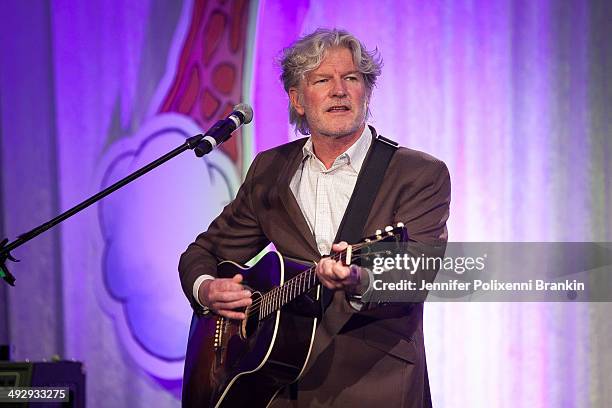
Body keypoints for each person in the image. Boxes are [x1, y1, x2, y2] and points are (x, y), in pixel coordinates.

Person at [179, 28, 450, 407]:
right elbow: (204, 251)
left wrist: (359, 279)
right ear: (298, 99)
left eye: (351, 78)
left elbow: (416, 275)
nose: (339, 90)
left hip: (375, 386)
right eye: (322, 80)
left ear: (366, 93)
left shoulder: (417, 173)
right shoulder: (271, 169)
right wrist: (207, 289)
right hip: (277, 387)